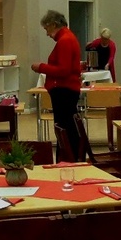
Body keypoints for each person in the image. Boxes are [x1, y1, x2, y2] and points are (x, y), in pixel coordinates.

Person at [31, 10, 82, 160]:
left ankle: (68, 158)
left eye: (46, 28)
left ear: (53, 25)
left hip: (64, 90)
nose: (47, 33)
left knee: (64, 128)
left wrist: (41, 67)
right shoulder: (68, 38)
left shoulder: (65, 40)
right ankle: (67, 157)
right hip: (66, 90)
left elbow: (64, 70)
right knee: (66, 127)